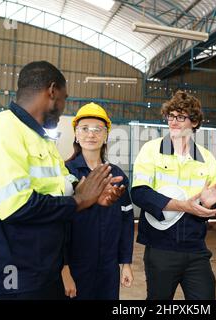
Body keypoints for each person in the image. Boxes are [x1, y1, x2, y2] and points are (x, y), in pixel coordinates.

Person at [0, 61, 125, 299]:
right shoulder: (0, 130)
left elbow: (63, 186)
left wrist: (93, 193)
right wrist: (79, 201)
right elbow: (16, 206)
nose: (62, 108)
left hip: (43, 274)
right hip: (11, 280)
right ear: (52, 92)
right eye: (64, 98)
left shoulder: (42, 141)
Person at [131, 90, 216, 300]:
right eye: (171, 116)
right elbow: (139, 194)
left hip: (196, 247)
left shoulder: (207, 158)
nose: (173, 122)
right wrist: (184, 205)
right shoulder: (151, 150)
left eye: (180, 117)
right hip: (160, 247)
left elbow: (204, 204)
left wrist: (207, 203)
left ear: (194, 122)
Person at [61, 103, 134, 300]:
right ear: (76, 134)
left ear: (105, 136)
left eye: (97, 130)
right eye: (84, 129)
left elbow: (127, 220)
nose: (90, 135)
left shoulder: (117, 176)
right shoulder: (65, 172)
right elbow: (58, 224)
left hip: (108, 267)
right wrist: (64, 268)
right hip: (76, 265)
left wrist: (125, 262)